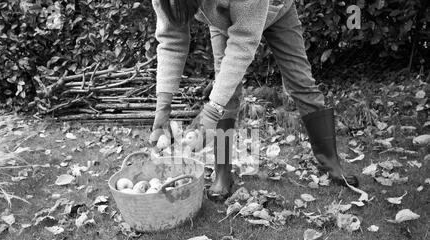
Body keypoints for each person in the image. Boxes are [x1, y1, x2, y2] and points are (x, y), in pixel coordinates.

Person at [149, 0, 359, 201]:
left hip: (276, 10)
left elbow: (244, 42)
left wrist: (211, 112)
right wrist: (162, 108)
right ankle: (222, 175)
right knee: (226, 95)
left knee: (301, 81)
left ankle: (331, 163)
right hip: (225, 21)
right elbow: (171, 41)